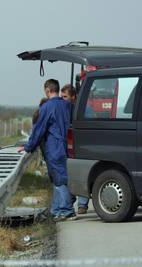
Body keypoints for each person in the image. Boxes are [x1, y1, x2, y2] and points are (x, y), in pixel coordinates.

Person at [19, 79, 76, 221]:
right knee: (58, 177)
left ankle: (67, 210)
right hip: (67, 145)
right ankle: (56, 210)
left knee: (60, 179)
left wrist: (28, 147)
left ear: (47, 90)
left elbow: (38, 130)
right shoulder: (67, 105)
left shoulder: (47, 108)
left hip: (54, 147)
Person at [60, 84, 89, 214]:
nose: (62, 99)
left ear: (73, 96)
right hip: (68, 148)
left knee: (83, 174)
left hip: (82, 147)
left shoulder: (84, 110)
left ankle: (82, 204)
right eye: (62, 96)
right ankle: (71, 199)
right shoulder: (63, 110)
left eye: (65, 96)